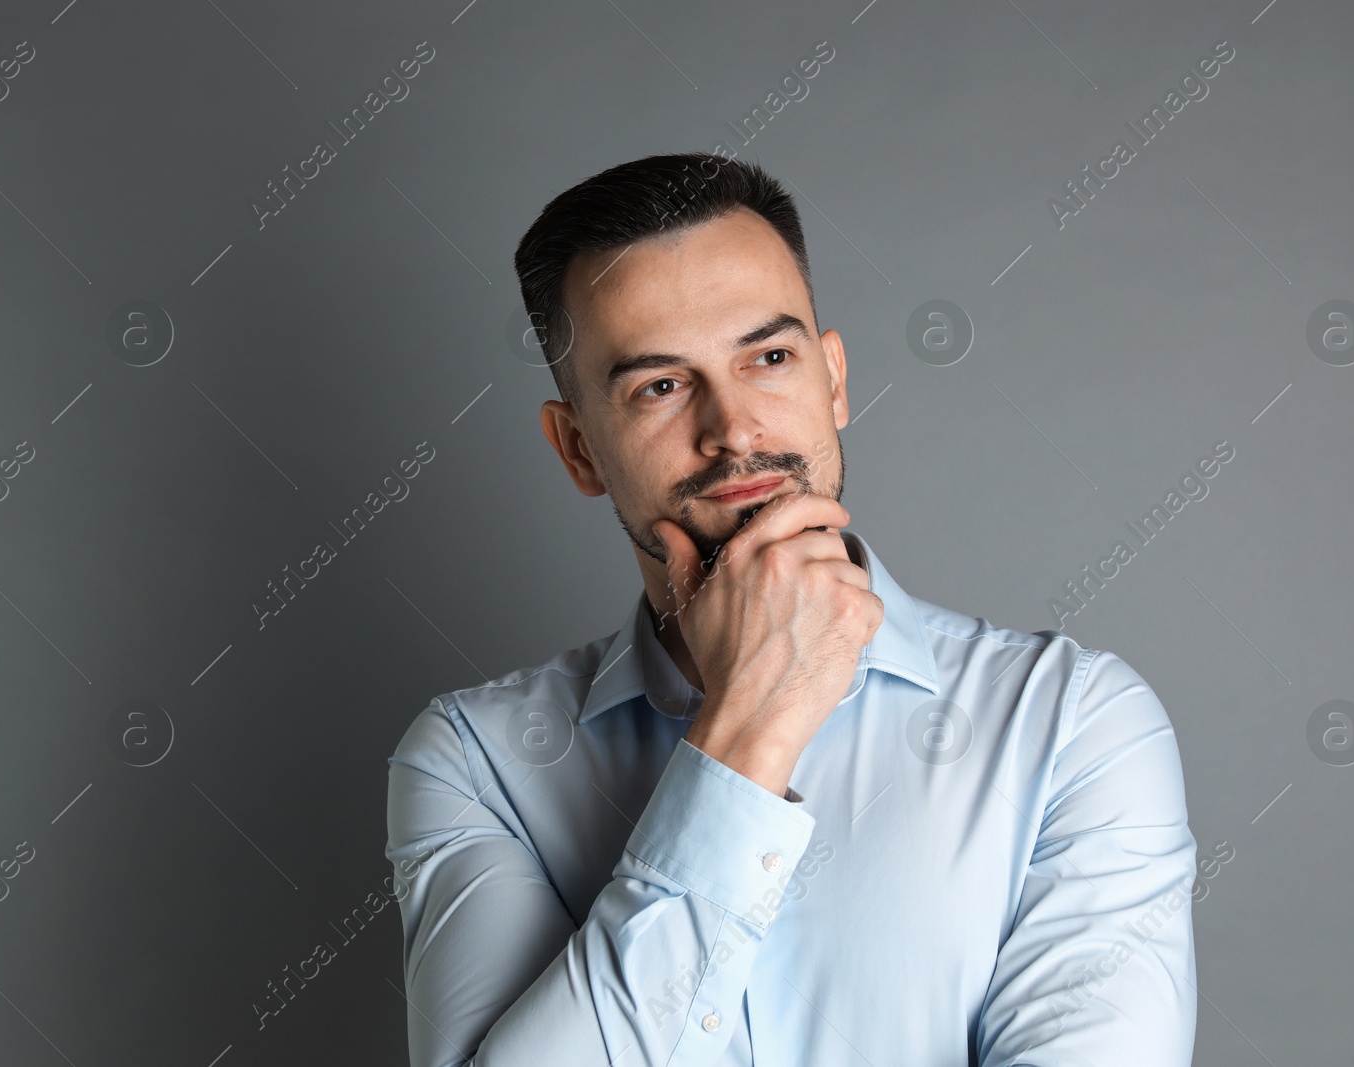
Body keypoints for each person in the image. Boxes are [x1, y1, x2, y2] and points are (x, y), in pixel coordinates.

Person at [385, 152, 1197, 1066]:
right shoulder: (474, 761)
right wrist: (746, 735)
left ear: (835, 379)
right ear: (578, 449)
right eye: (660, 385)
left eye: (770, 357)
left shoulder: (1072, 725)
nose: (734, 427)